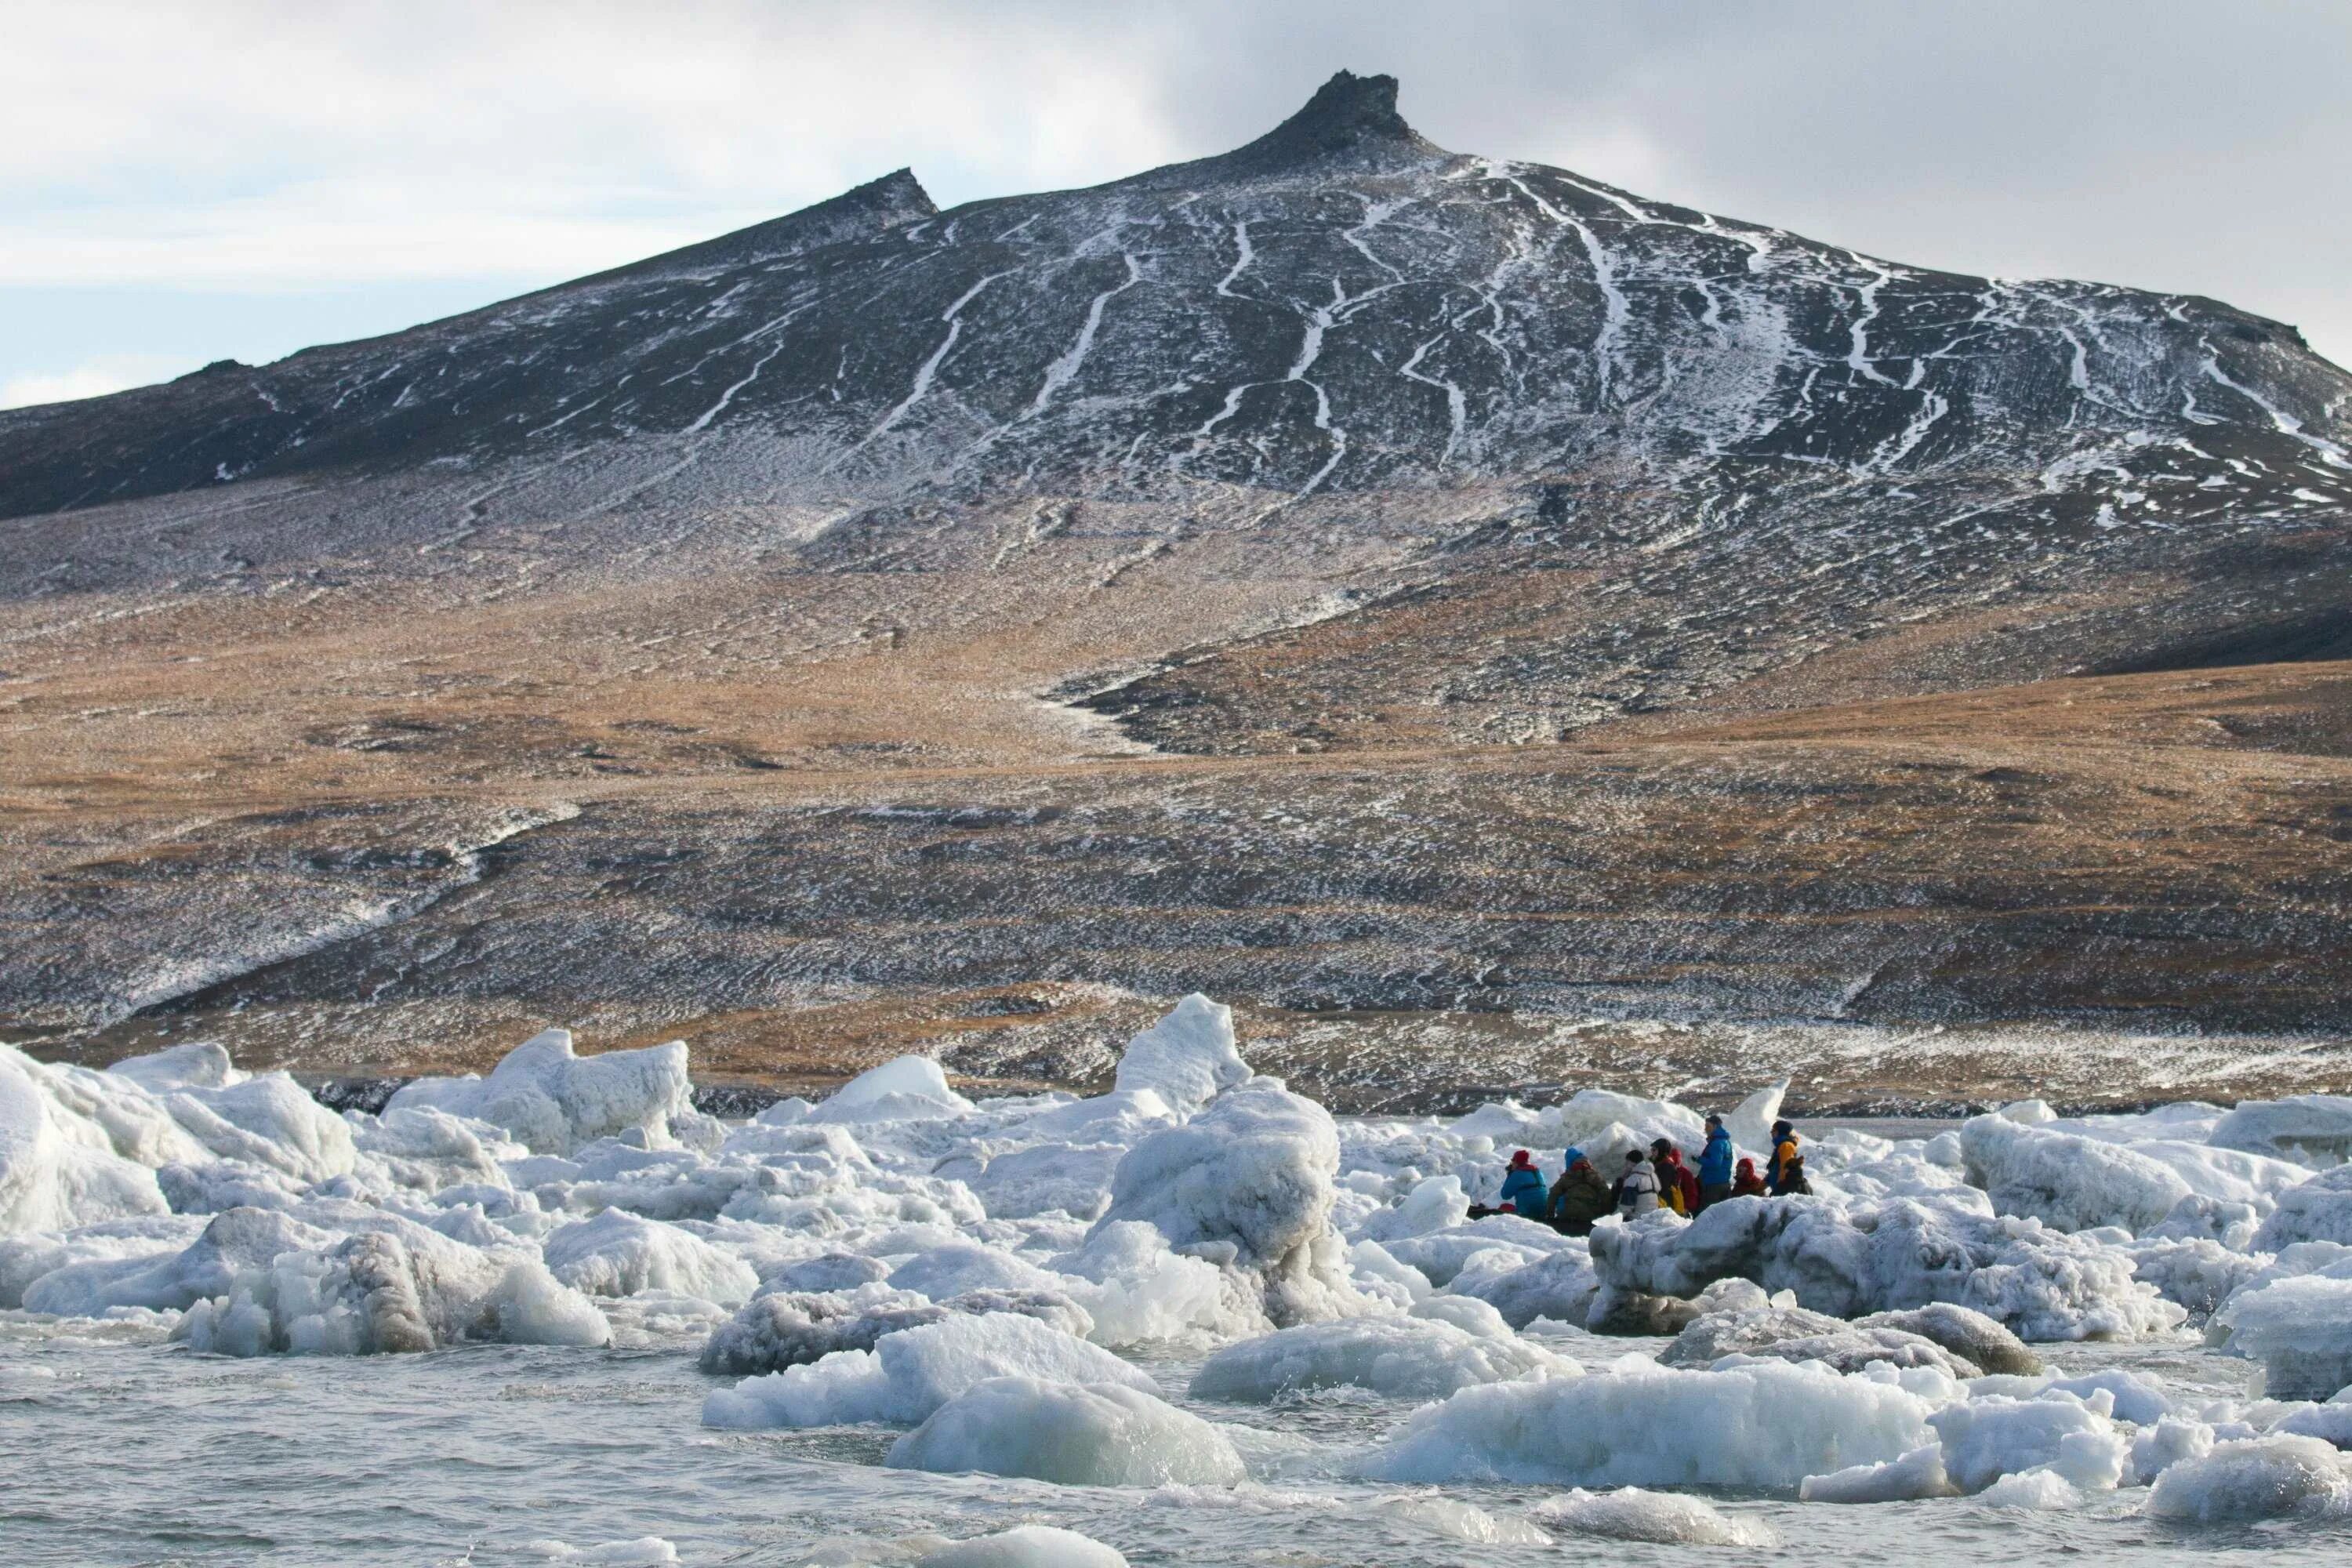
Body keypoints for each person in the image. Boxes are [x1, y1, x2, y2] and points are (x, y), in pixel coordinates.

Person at [1547, 1149, 1614, 1236]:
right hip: (1589, 1215)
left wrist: (1550, 1215)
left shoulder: (1568, 1175)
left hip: (1568, 1214)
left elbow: (1553, 1194)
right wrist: (1604, 1214)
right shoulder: (1595, 1176)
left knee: (1562, 1197)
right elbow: (1606, 1193)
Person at [1695, 1114, 1735, 1211]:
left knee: (1706, 1215)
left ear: (1715, 1126)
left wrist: (1699, 1159)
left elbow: (1715, 1163)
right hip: (1723, 1182)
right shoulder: (1725, 1141)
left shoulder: (1717, 1143)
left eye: (1708, 1126)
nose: (1706, 1129)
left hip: (1714, 1185)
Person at [1650, 1138, 1698, 1217]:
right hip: (1671, 1207)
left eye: (1654, 1150)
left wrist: (1687, 1208)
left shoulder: (1668, 1168)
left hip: (1673, 1208)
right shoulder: (1660, 1165)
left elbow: (1691, 1193)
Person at [1612, 1149, 1661, 1218]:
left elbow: (1625, 1208)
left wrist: (1610, 1220)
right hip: (1652, 1217)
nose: (1626, 1166)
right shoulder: (1653, 1175)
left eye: (1627, 1163)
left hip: (1637, 1219)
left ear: (1631, 1163)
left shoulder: (1633, 1181)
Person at [1497, 1149, 1546, 1216]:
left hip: (1526, 1214)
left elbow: (1505, 1195)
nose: (1512, 1163)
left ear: (1516, 1162)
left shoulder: (1517, 1174)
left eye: (1513, 1160)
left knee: (1504, 1207)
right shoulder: (1538, 1171)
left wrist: (1510, 1174)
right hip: (1543, 1213)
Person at [1766, 1120, 1803, 1196]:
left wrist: (1778, 1191)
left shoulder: (1786, 1146)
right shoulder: (1781, 1146)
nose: (1771, 1132)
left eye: (1774, 1130)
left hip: (1783, 1192)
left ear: (1780, 1132)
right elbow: (1774, 1170)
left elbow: (1785, 1169)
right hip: (1780, 1190)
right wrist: (1757, 1189)